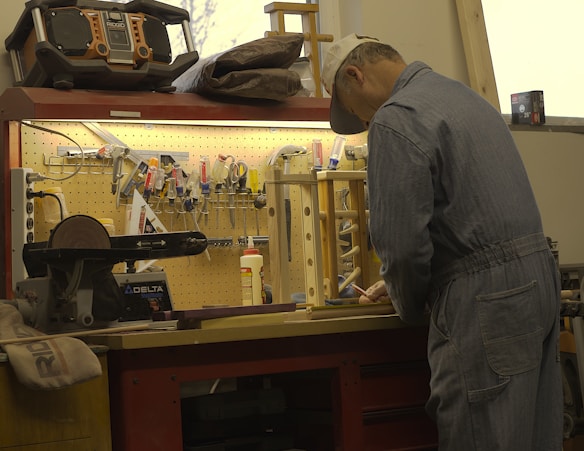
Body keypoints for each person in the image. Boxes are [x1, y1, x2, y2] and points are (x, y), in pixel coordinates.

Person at [321, 33, 562, 451]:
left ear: (354, 76)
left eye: (356, 114)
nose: (364, 123)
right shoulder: (464, 97)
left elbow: (402, 247)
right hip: (536, 282)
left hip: (485, 303)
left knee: (480, 436)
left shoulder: (396, 116)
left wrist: (406, 299)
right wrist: (406, 281)